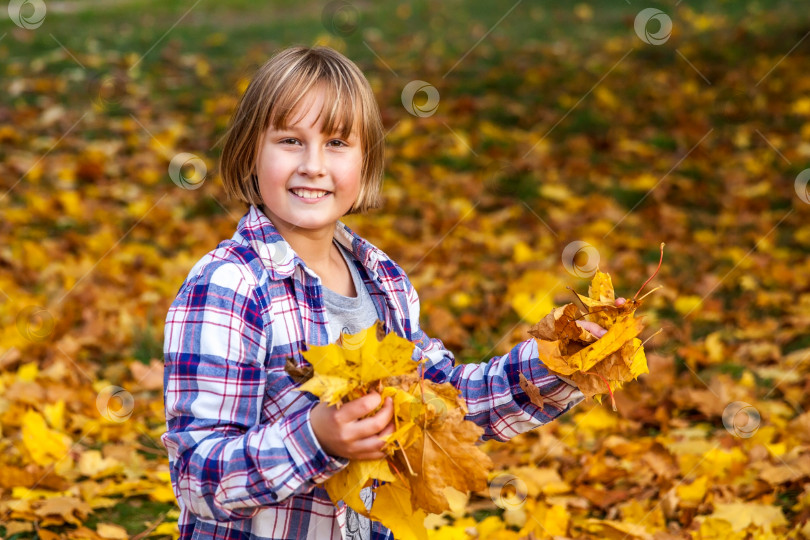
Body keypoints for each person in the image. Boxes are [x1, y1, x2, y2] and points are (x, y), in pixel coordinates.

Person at [161, 45, 618, 540]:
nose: (313, 165)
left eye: (337, 143)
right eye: (290, 140)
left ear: (366, 161)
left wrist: (559, 363)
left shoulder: (382, 282)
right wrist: (316, 437)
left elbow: (447, 403)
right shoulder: (230, 286)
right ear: (251, 151)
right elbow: (196, 476)